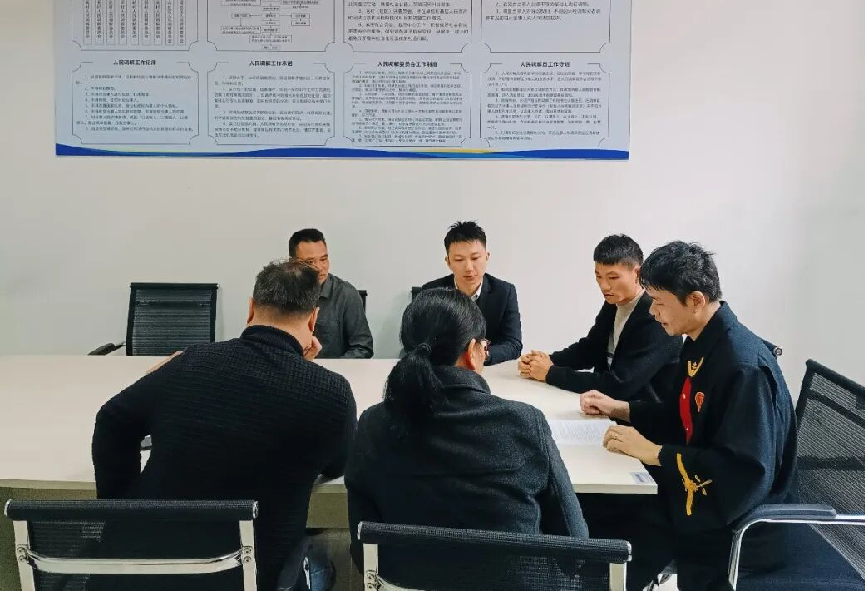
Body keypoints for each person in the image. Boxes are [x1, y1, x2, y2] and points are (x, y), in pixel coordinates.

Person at [92, 260, 357, 591]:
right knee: (322, 563)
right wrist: (303, 372)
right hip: (250, 574)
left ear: (251, 308)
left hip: (149, 568)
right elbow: (337, 463)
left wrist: (122, 508)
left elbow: (112, 420)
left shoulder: (190, 361)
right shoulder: (330, 392)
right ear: (313, 318)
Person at [580, 242, 797, 590]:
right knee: (596, 505)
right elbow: (681, 415)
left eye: (659, 303)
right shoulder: (701, 340)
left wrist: (655, 453)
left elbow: (743, 471)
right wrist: (621, 408)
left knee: (627, 523)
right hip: (701, 481)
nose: (653, 313)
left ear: (695, 300)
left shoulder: (743, 368)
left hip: (739, 520)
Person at [345, 288, 586, 586]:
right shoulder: (524, 422)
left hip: (407, 582)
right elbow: (575, 548)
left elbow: (362, 549)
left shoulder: (374, 424)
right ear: (472, 351)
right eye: (485, 346)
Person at [518, 234, 681, 402]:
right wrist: (544, 361)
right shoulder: (613, 303)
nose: (604, 286)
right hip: (605, 407)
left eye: (613, 277)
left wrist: (551, 373)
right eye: (598, 276)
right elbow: (589, 350)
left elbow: (620, 385)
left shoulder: (657, 316)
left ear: (637, 273)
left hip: (639, 413)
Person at [419, 221, 522, 364]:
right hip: (444, 369)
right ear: (448, 262)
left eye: (475, 258)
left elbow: (513, 344)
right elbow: (418, 342)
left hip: (487, 370)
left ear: (487, 257)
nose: (468, 267)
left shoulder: (505, 292)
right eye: (459, 259)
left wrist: (481, 355)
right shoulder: (431, 292)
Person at [290, 228, 373, 359]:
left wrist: (333, 369)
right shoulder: (280, 293)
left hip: (331, 370)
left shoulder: (346, 294)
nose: (319, 268)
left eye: (323, 259)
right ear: (293, 263)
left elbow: (362, 347)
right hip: (289, 368)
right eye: (310, 262)